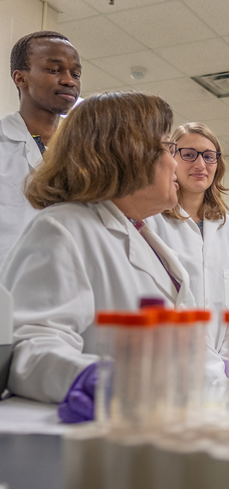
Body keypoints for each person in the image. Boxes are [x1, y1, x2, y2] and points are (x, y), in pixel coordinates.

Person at [0, 91, 196, 422]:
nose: (175, 163)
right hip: (98, 437)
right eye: (167, 148)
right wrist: (89, 376)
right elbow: (30, 346)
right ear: (129, 153)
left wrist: (219, 369)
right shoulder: (63, 227)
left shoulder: (143, 233)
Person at [146, 122, 229, 369]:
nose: (200, 164)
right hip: (169, 363)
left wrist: (226, 361)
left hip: (225, 366)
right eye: (189, 154)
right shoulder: (152, 221)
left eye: (209, 156)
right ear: (171, 158)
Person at [0, 31, 81, 266]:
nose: (69, 81)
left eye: (75, 73)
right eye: (54, 70)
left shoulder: (89, 153)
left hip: (73, 286)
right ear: (20, 78)